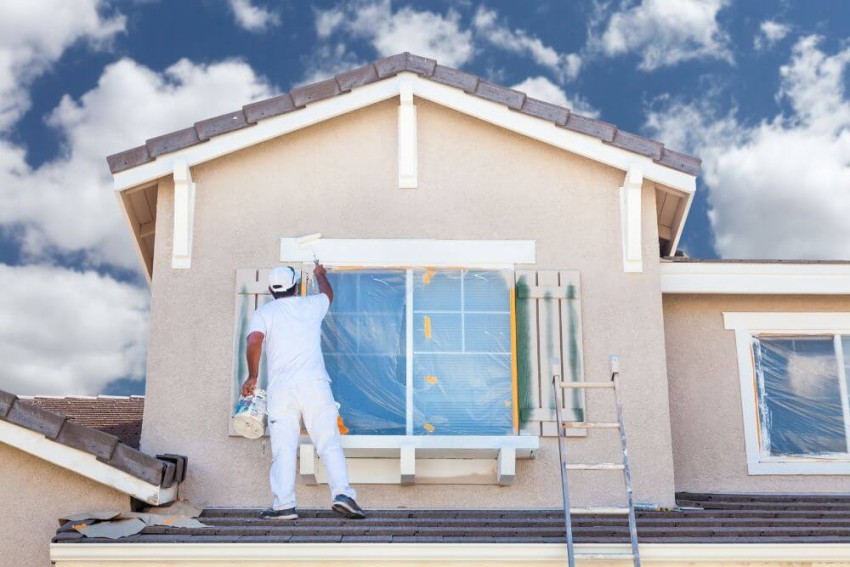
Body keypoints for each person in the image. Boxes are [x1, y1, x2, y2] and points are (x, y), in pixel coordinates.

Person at [240, 263, 365, 520]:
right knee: (328, 441)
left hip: (282, 390)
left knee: (283, 447)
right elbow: (328, 294)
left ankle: (284, 505)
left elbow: (254, 341)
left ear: (270, 290)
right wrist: (320, 275)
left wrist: (252, 376)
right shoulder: (311, 306)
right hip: (314, 385)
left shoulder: (265, 312)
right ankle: (343, 495)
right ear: (296, 286)